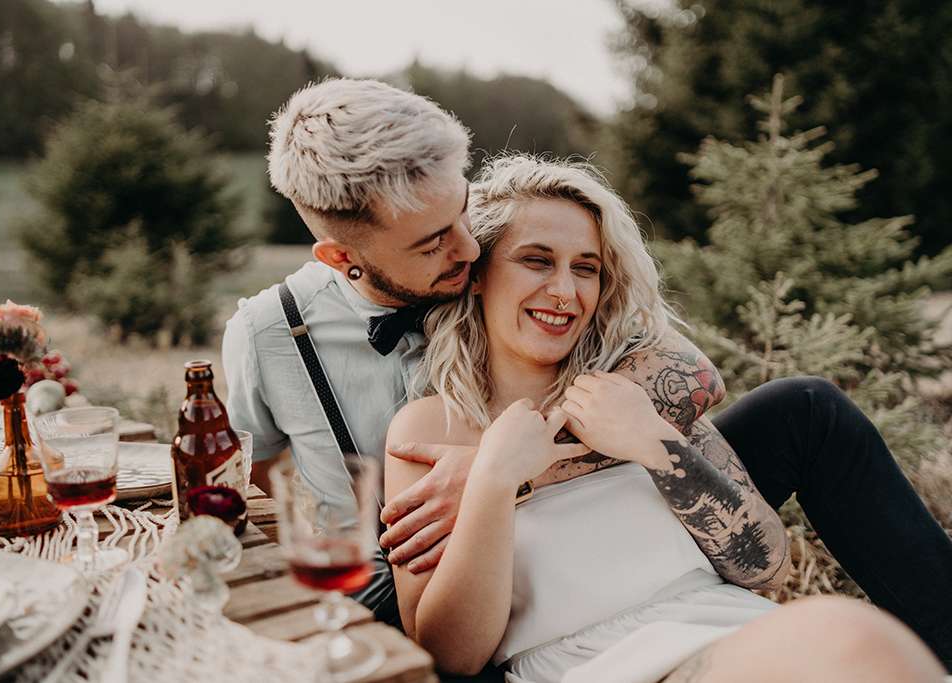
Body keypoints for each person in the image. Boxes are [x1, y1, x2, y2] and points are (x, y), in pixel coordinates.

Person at [222, 78, 952, 669]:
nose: (466, 248)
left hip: (699, 599)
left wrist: (552, 451)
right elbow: (256, 477)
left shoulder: (590, 353)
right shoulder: (274, 338)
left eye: (464, 218)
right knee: (847, 641)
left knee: (808, 413)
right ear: (344, 259)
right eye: (436, 241)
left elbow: (694, 379)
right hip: (420, 597)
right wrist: (490, 480)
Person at [384, 153, 946, 682]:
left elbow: (765, 567)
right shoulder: (428, 431)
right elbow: (451, 656)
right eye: (537, 260)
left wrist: (655, 443)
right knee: (851, 635)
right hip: (611, 666)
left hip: (734, 626)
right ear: (477, 273)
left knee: (860, 648)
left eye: (587, 268)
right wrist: (494, 479)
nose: (564, 291)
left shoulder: (637, 394)